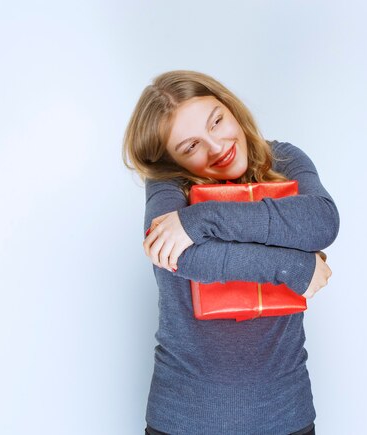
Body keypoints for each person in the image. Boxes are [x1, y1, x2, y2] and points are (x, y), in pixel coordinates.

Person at [122, 70, 340, 435]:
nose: (217, 146)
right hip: (183, 421)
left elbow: (321, 221)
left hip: (286, 416)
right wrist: (294, 266)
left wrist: (198, 220)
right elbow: (183, 258)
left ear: (230, 107)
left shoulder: (283, 160)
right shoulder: (167, 184)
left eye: (217, 121)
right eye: (190, 146)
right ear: (172, 160)